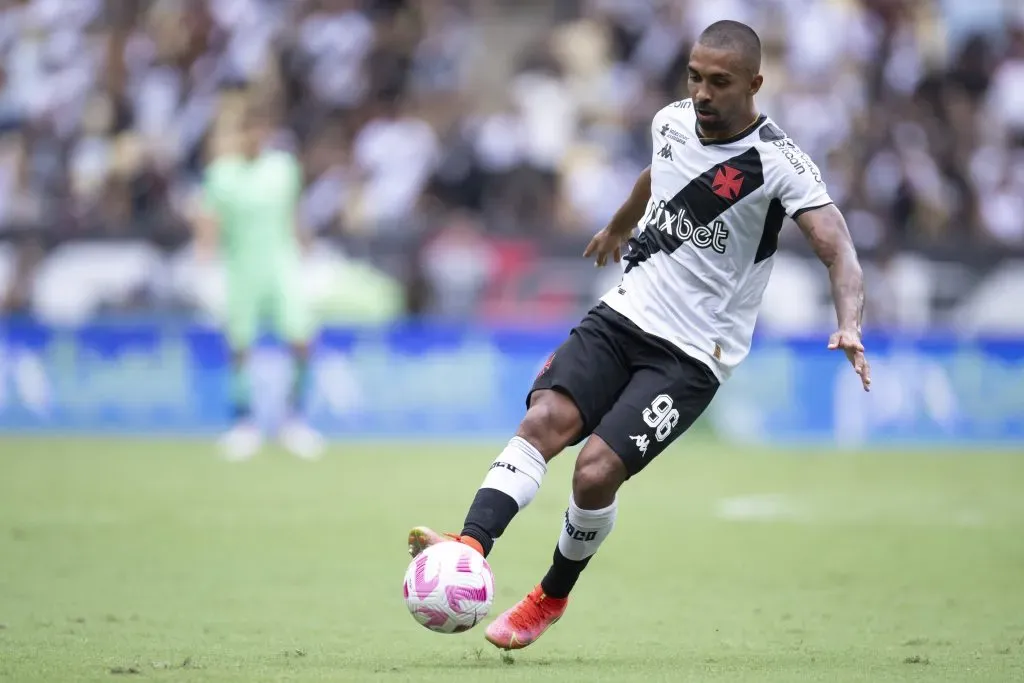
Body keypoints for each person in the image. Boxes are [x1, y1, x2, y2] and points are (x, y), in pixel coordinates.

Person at [408, 20, 871, 650]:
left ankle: (550, 596)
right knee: (543, 421)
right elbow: (656, 176)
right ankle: (468, 549)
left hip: (692, 354)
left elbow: (837, 247)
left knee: (594, 473)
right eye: (695, 77)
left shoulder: (779, 164)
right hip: (626, 312)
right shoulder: (672, 121)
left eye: (720, 82)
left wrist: (847, 321)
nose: (702, 93)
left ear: (755, 84)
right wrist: (621, 225)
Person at [195, 103, 324, 461]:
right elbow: (209, 219)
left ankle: (294, 420)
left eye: (260, 130)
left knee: (301, 339)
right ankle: (243, 423)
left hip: (282, 266)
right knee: (239, 348)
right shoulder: (221, 174)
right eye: (247, 130)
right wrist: (203, 259)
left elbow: (295, 213)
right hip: (241, 268)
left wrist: (309, 248)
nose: (254, 137)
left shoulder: (283, 168)